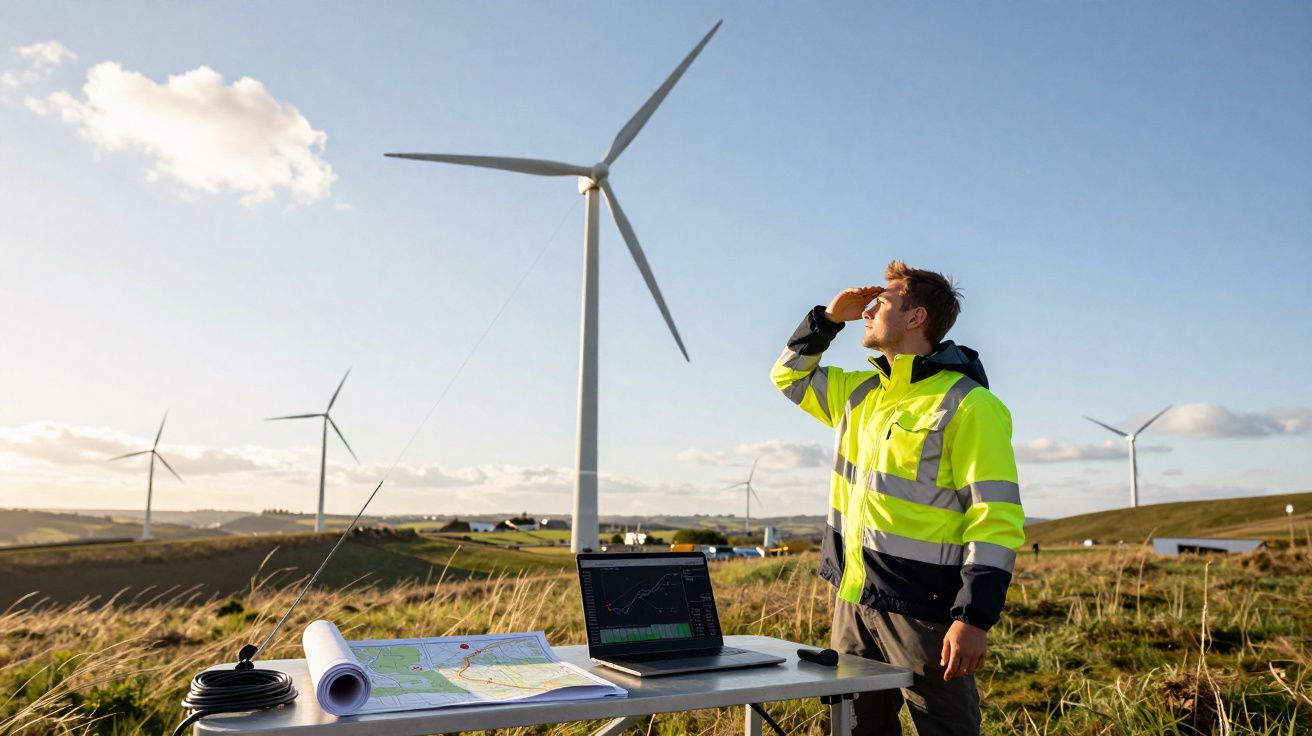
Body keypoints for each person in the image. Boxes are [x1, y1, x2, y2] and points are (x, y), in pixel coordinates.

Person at [771, 261, 1024, 736]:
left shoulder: (970, 404)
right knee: (855, 728)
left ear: (915, 318)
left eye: (881, 302)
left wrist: (973, 618)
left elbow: (996, 518)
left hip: (927, 613)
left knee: (946, 729)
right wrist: (827, 319)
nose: (866, 311)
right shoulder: (859, 392)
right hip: (852, 600)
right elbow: (788, 377)